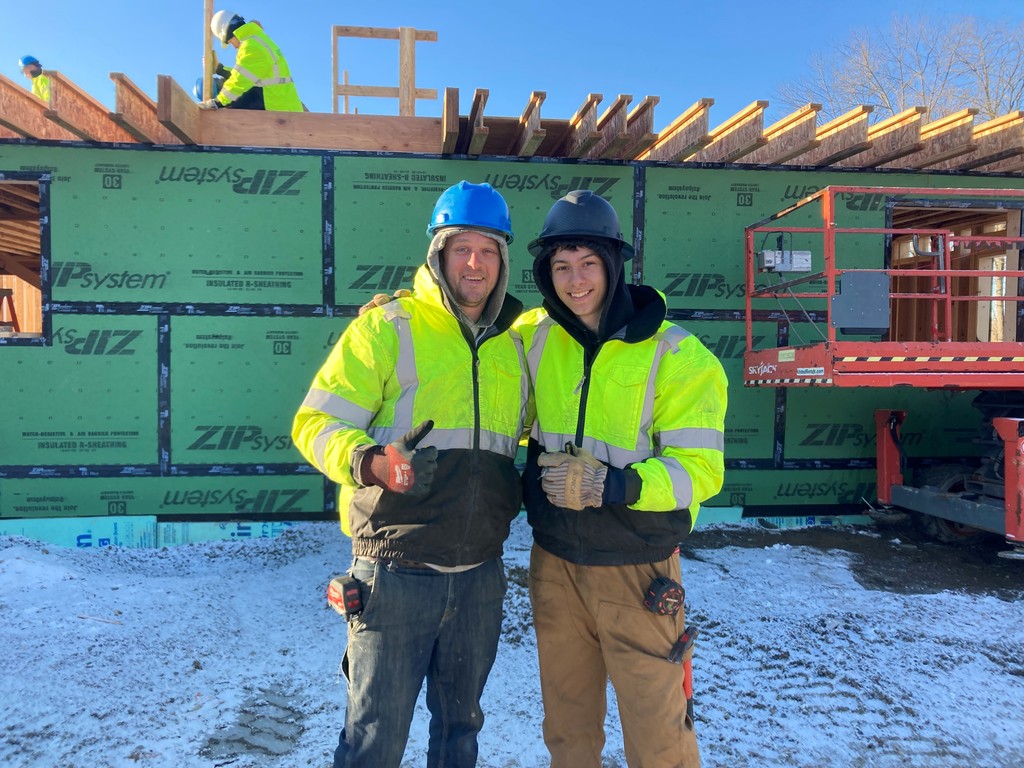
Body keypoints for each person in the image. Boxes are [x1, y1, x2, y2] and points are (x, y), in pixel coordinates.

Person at [292, 180, 530, 768]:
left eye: (488, 250)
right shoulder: (387, 327)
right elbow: (314, 423)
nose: (474, 263)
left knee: (460, 734)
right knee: (374, 739)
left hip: (479, 577)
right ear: (438, 253)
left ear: (503, 260)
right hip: (394, 573)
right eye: (461, 248)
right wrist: (372, 462)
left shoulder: (516, 344)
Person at [516, 189, 728, 768]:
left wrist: (614, 485)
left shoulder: (679, 356)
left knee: (659, 737)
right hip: (555, 563)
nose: (575, 280)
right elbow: (465, 347)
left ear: (614, 265)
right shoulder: (533, 336)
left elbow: (700, 470)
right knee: (567, 730)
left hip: (638, 572)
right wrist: (410, 307)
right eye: (561, 266)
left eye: (588, 263)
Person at [201, 10, 302, 111]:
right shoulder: (256, 40)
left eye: (230, 42)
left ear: (228, 34)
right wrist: (220, 69)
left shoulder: (251, 46)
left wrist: (217, 102)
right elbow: (246, 75)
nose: (233, 46)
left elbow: (240, 81)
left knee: (230, 97)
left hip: (277, 107)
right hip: (278, 102)